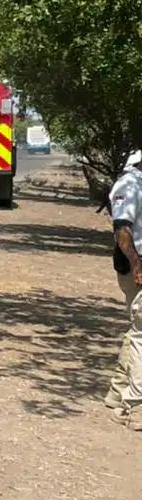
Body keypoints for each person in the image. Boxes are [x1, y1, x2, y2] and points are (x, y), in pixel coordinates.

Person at [107, 150, 142, 427]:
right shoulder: (129, 185)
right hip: (137, 268)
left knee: (138, 330)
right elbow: (122, 230)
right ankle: (136, 406)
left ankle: (118, 393)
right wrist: (136, 264)